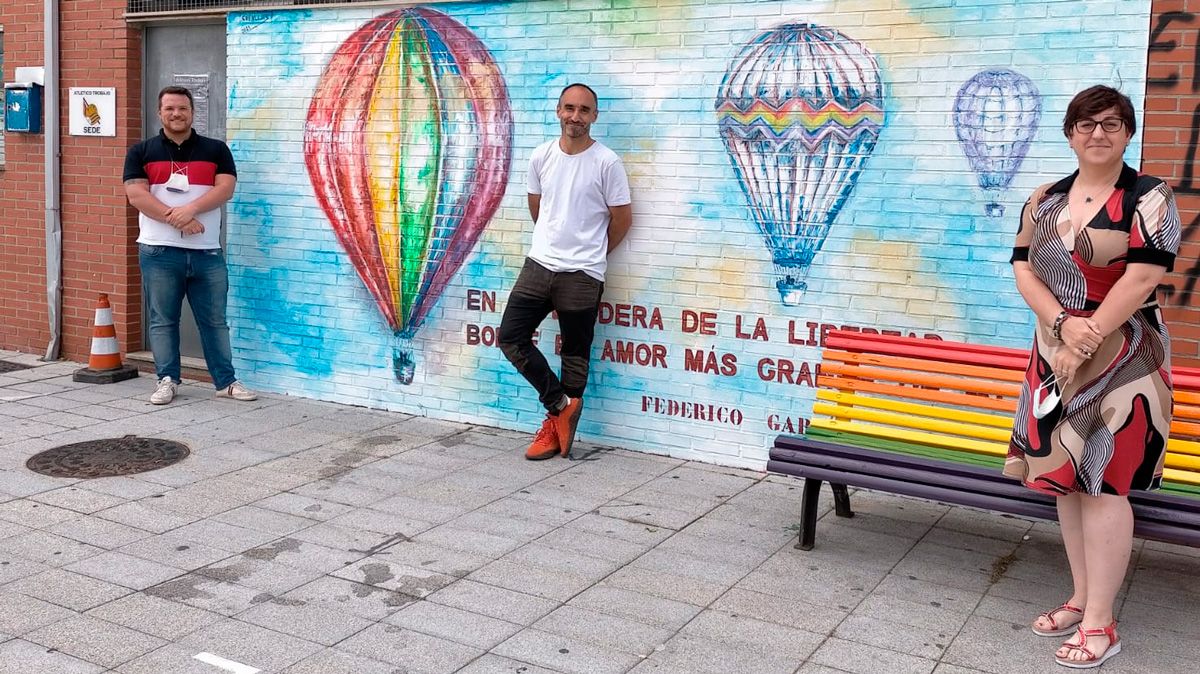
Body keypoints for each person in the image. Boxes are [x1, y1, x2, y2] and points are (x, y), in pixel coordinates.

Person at [1008, 85, 1180, 669]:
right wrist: (1059, 323)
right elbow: (1023, 268)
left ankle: (1104, 625)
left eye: (1111, 123)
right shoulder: (1046, 198)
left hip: (1127, 356)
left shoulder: (1149, 195)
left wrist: (1086, 336)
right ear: (1070, 132)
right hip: (1054, 353)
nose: (1098, 133)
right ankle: (1083, 598)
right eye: (1086, 123)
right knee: (1065, 477)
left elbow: (1142, 277)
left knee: (1105, 482)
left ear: (1128, 132)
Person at [498, 83, 632, 460]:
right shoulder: (541, 156)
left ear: (594, 116)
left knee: (574, 354)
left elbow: (622, 219)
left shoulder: (607, 163)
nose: (576, 116)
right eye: (569, 108)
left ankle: (554, 430)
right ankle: (560, 406)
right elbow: (537, 207)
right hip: (539, 264)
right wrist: (552, 242)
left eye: (584, 110)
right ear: (558, 110)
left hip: (583, 273)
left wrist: (593, 254)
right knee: (511, 337)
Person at [123, 86, 257, 405]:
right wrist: (177, 219)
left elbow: (225, 189)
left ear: (192, 112)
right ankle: (167, 379)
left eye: (182, 108)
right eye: (169, 108)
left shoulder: (215, 150)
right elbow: (137, 196)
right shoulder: (141, 151)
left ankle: (225, 382)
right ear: (160, 113)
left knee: (214, 321)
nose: (176, 114)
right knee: (163, 319)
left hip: (207, 253)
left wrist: (189, 211)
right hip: (158, 252)